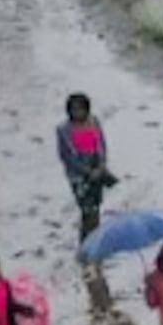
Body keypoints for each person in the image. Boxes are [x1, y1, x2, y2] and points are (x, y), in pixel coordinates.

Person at [56, 93, 116, 237]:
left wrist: (101, 165)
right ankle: (87, 242)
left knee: (95, 210)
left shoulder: (93, 123)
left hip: (97, 172)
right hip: (78, 177)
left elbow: (100, 146)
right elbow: (68, 156)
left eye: (80, 109)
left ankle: (93, 241)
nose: (77, 113)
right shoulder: (64, 130)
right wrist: (87, 171)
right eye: (74, 110)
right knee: (87, 209)